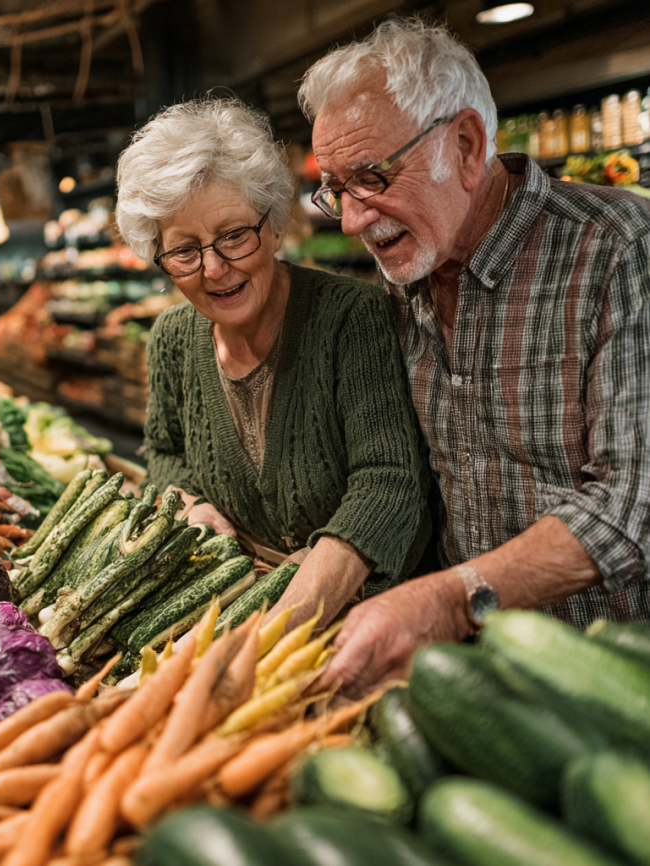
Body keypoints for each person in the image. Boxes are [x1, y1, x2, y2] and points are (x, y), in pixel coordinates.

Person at [298, 18, 650, 697]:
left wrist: (452, 599)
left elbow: (633, 503)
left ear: (464, 145)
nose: (353, 219)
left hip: (612, 684)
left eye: (372, 176)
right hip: (470, 678)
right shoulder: (407, 281)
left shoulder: (619, 250)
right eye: (338, 189)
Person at [115, 97, 433, 628]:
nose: (214, 269)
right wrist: (188, 503)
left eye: (234, 236)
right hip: (235, 607)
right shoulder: (171, 338)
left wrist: (282, 620)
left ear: (276, 226)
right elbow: (164, 453)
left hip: (362, 619)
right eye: (185, 251)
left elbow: (388, 480)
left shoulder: (351, 318)